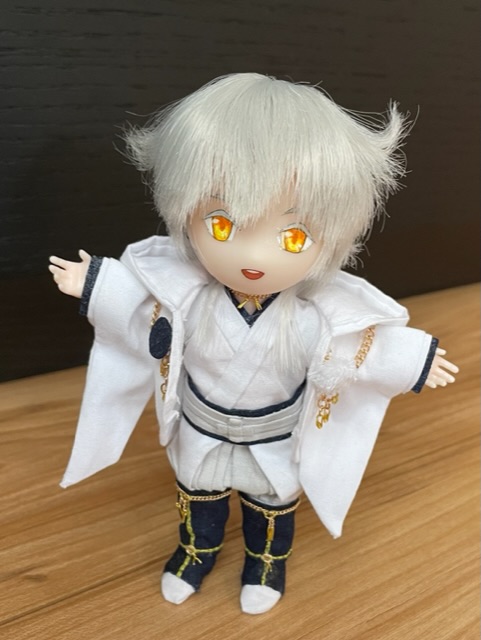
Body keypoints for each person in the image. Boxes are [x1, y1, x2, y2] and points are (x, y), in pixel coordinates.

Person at [49, 73, 458, 615]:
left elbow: (354, 347)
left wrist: (411, 360)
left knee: (270, 506)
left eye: (293, 236)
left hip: (274, 435)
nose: (254, 257)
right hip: (202, 426)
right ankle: (195, 553)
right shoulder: (188, 298)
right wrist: (98, 284)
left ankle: (266, 565)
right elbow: (144, 308)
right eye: (221, 225)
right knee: (199, 496)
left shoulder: (311, 317)